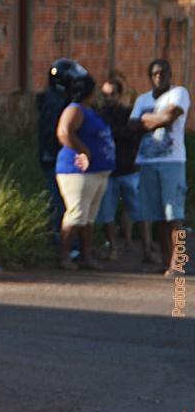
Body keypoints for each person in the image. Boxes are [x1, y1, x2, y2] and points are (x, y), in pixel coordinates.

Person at [128, 59, 190, 276]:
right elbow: (132, 125)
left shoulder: (179, 93)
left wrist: (147, 119)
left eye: (163, 73)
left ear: (170, 74)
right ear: (149, 76)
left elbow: (169, 118)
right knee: (157, 216)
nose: (159, 77)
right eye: (154, 74)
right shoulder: (142, 99)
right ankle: (166, 260)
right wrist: (157, 119)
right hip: (146, 161)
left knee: (174, 214)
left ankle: (178, 261)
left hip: (172, 161)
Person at [55, 62, 116, 270]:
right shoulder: (75, 109)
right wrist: (84, 150)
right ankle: (64, 257)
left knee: (89, 217)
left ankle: (86, 256)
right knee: (76, 214)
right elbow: (64, 133)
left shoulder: (89, 110)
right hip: (77, 172)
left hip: (97, 173)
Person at [94, 78, 141, 260]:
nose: (109, 98)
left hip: (128, 167)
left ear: (119, 95)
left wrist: (114, 132)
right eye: (105, 95)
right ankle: (113, 246)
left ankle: (130, 241)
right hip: (108, 170)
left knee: (134, 208)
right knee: (107, 212)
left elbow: (132, 133)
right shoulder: (98, 115)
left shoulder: (127, 113)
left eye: (112, 94)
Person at [37, 59, 73, 244]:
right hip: (55, 158)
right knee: (59, 203)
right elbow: (53, 132)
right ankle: (60, 245)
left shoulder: (54, 98)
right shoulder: (56, 100)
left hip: (53, 157)